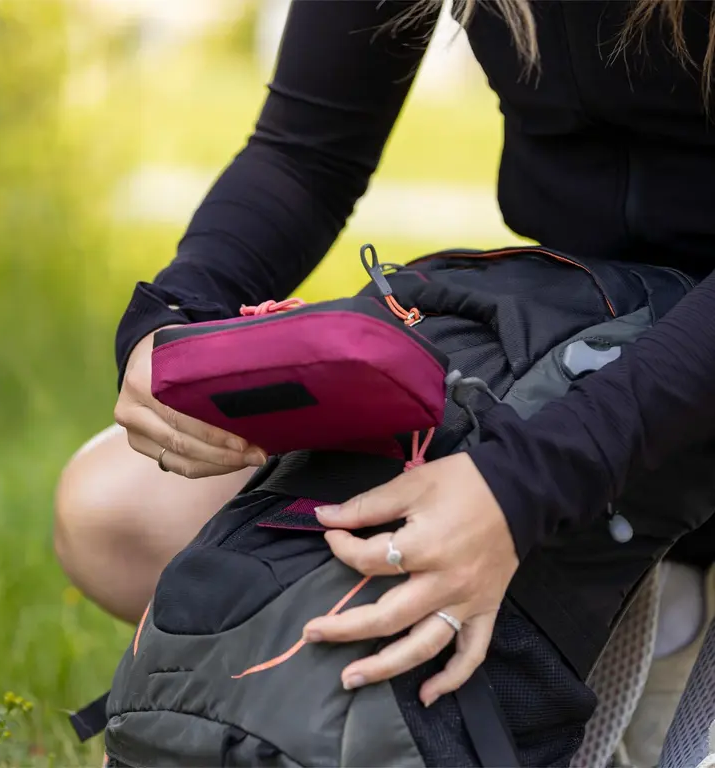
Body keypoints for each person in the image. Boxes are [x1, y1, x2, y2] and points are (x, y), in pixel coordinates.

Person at [55, 0, 715, 761]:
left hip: (664, 393)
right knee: (115, 509)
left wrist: (521, 486)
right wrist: (173, 320)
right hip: (597, 335)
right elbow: (306, 153)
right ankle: (650, 611)